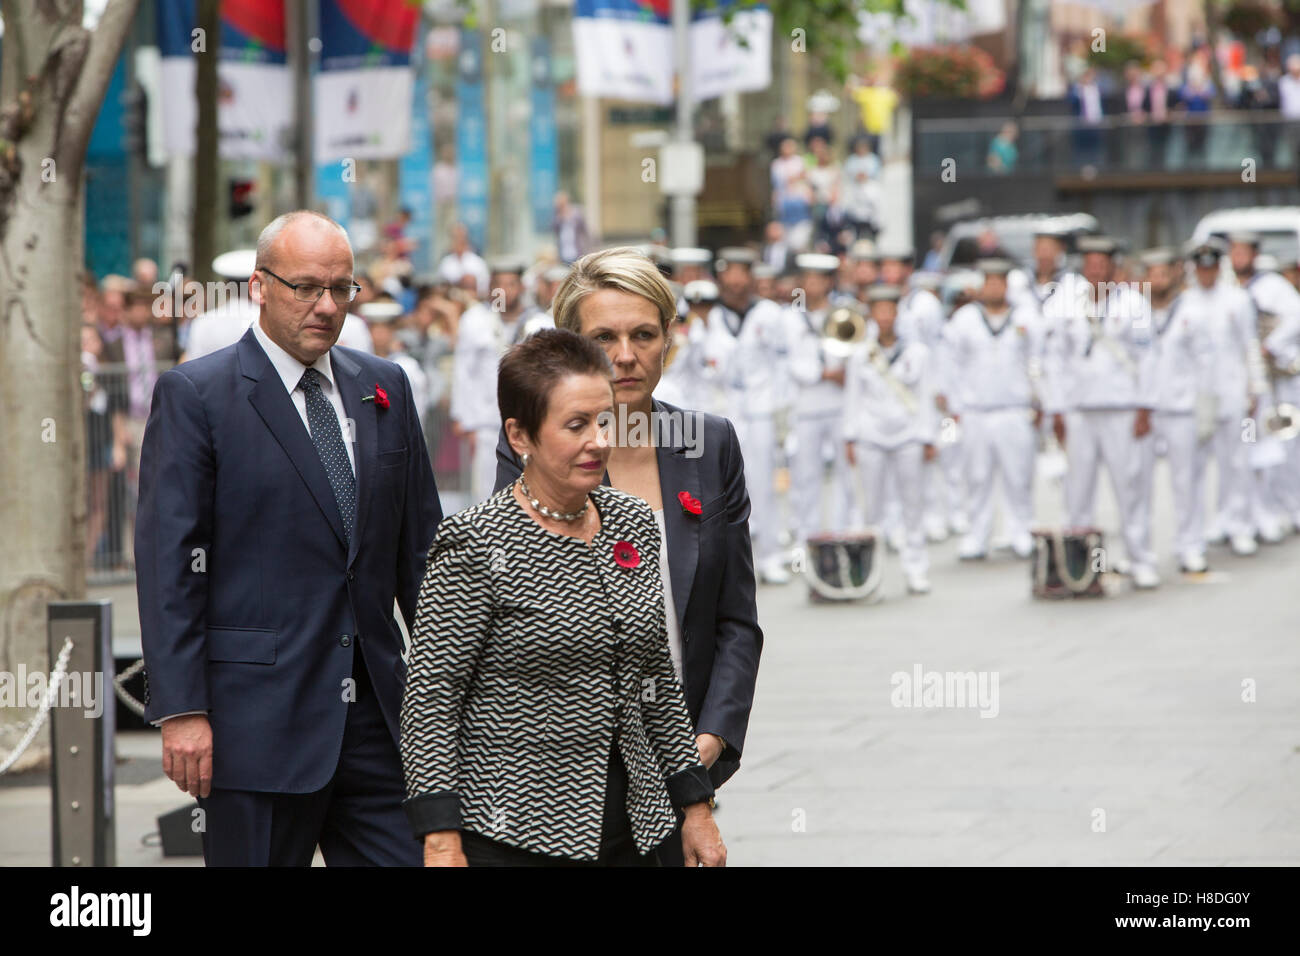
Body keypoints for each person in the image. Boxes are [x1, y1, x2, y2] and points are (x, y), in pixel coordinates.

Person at [134, 210, 443, 866]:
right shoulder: (198, 395)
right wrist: (182, 709)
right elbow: (170, 565)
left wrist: (446, 691)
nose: (326, 306)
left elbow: (422, 556)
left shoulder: (384, 388)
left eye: (341, 289)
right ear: (259, 286)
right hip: (255, 727)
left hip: (378, 724)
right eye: (305, 287)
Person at [406, 327, 725, 867]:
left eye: (604, 421)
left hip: (634, 824)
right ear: (520, 435)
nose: (598, 440)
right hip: (512, 834)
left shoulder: (633, 525)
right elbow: (432, 699)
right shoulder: (476, 541)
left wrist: (696, 805)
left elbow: (657, 685)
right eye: (576, 425)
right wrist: (439, 837)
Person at [492, 251, 762, 839]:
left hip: (690, 762)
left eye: (644, 334)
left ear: (669, 337)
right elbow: (520, 617)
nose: (625, 356)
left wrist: (711, 739)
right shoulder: (535, 449)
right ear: (568, 347)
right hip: (566, 773)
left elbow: (736, 618)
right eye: (603, 337)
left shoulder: (709, 443)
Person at [1044, 235, 1160, 588]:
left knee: (1129, 486)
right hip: (1080, 409)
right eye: (1089, 263)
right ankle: (1078, 565)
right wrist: (1057, 409)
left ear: (1113, 266)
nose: (1095, 269)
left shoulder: (1135, 304)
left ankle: (1140, 558)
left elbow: (1148, 359)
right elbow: (1056, 360)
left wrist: (1145, 406)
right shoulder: (1067, 302)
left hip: (1121, 408)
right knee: (1077, 489)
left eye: (1101, 263)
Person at [940, 259, 1046, 560]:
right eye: (989, 282)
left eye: (1000, 282)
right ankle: (977, 534)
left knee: (1019, 474)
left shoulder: (1026, 317)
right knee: (977, 476)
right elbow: (952, 364)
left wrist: (1039, 399)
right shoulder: (965, 319)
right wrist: (954, 404)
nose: (994, 288)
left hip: (1015, 408)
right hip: (976, 410)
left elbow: (1037, 362)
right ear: (981, 286)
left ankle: (1021, 530)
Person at [700, 246, 792, 584]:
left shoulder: (769, 313)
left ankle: (771, 555)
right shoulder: (708, 315)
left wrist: (783, 412)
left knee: (764, 483)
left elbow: (783, 365)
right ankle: (735, 563)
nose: (736, 280)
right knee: (723, 487)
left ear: (751, 277)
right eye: (729, 273)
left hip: (763, 409)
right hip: (724, 410)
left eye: (742, 273)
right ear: (721, 276)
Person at [843, 285, 937, 594]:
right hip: (871, 435)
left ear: (897, 314)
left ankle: (916, 569)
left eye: (889, 310)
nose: (884, 317)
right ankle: (872, 573)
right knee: (872, 509)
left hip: (908, 434)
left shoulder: (917, 352)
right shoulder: (859, 353)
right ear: (871, 315)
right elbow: (852, 397)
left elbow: (925, 396)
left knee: (913, 505)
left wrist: (927, 436)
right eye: (878, 310)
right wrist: (850, 436)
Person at [1181, 240, 1263, 555]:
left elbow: (1249, 344)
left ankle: (1239, 523)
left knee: (1238, 461)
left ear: (1219, 267)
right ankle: (1207, 524)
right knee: (1197, 464)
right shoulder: (1185, 303)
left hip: (1235, 394)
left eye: (1211, 267)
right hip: (1199, 397)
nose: (1206, 274)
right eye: (1201, 268)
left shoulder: (1238, 300)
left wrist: (1254, 388)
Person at [1137, 248, 1215, 572]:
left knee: (1186, 483)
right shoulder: (1132, 312)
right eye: (1152, 274)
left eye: (1163, 273)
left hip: (1181, 409)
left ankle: (1190, 545)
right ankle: (1140, 553)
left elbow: (1205, 364)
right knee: (1137, 484)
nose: (1158, 279)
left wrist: (1204, 409)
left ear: (1175, 275)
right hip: (1144, 410)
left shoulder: (1192, 312)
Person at [451, 257, 554, 503]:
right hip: (487, 422)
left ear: (521, 287)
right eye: (499, 285)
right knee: (486, 492)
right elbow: (464, 371)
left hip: (531, 420)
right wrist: (465, 420)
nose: (505, 291)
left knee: (533, 490)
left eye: (511, 284)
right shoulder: (475, 320)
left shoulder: (540, 323)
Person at [784, 253, 856, 546]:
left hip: (839, 405)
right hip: (807, 406)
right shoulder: (790, 316)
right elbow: (792, 363)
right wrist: (825, 373)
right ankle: (806, 537)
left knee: (846, 473)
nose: (812, 285)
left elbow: (855, 351)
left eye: (819, 279)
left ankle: (844, 532)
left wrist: (844, 372)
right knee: (805, 476)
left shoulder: (844, 313)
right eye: (808, 279)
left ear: (828, 283)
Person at [436, 222, 489, 296]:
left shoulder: (478, 262)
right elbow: (440, 286)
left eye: (460, 236)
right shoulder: (445, 262)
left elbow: (484, 288)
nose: (458, 240)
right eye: (455, 237)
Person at [552, 190, 590, 264]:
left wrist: (588, 248)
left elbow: (585, 231)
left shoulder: (576, 213)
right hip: (564, 253)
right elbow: (554, 229)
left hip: (578, 251)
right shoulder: (557, 216)